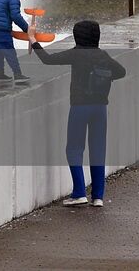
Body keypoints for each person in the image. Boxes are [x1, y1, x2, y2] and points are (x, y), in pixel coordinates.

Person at [30, 20, 127, 207]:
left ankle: (79, 192)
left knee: (74, 148)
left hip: (80, 107)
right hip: (100, 108)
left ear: (78, 36)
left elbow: (48, 59)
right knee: (98, 150)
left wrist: (33, 39)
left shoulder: (76, 54)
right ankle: (98, 197)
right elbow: (121, 71)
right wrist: (102, 77)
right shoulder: (102, 55)